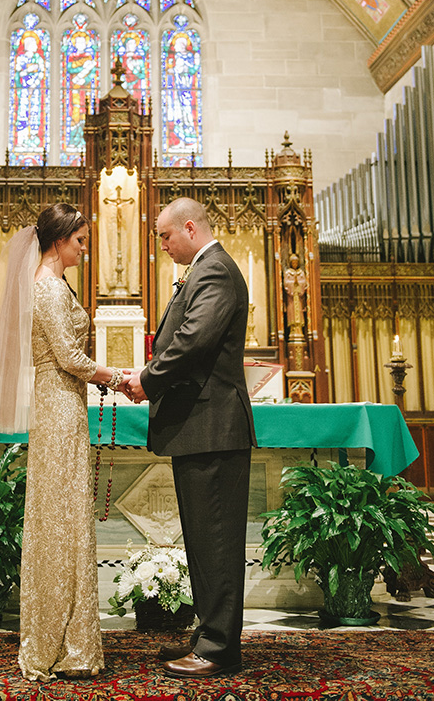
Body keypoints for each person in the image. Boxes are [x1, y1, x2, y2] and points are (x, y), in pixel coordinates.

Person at [0, 203, 126, 681]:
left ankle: (67, 637)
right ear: (59, 241)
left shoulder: (51, 283)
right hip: (60, 404)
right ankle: (58, 641)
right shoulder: (47, 285)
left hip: (64, 402)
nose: (85, 248)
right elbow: (67, 355)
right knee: (62, 516)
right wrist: (117, 377)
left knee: (64, 514)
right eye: (80, 240)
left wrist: (99, 378)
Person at [125, 197, 257, 678]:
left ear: (189, 227)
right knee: (204, 541)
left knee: (216, 540)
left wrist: (148, 379)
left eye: (165, 236)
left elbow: (195, 339)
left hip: (214, 427)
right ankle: (208, 635)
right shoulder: (204, 269)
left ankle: (219, 648)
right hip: (200, 428)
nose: (162, 246)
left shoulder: (215, 270)